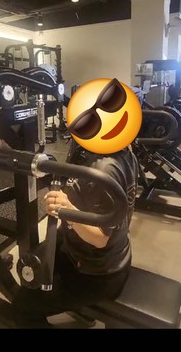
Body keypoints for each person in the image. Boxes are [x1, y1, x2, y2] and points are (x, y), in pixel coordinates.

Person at [9, 140, 140, 327]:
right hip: (104, 256)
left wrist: (67, 210)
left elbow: (100, 239)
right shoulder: (121, 150)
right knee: (39, 261)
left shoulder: (103, 169)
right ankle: (81, 308)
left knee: (23, 306)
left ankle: (81, 304)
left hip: (96, 275)